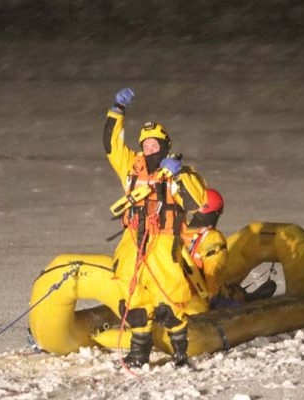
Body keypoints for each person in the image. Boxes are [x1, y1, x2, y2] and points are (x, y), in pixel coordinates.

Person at [103, 88, 207, 367]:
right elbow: (111, 144)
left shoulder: (180, 173)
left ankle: (180, 350)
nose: (149, 149)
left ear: (165, 146)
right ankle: (139, 352)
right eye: (145, 145)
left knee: (169, 298)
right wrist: (117, 110)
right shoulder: (130, 167)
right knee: (132, 293)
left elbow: (196, 201)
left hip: (163, 241)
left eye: (155, 144)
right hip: (133, 239)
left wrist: (179, 175)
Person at [181, 188, 230, 307]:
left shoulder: (178, 229)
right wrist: (215, 297)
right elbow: (212, 272)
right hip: (195, 298)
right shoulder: (211, 237)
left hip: (170, 294)